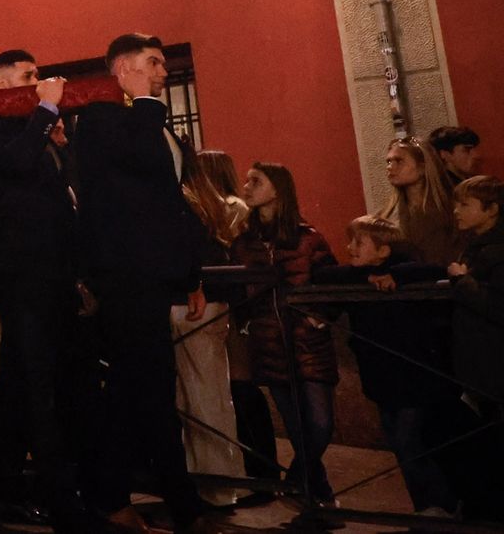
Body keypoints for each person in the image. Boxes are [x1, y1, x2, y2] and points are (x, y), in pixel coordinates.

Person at [71, 32, 212, 533]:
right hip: (124, 276)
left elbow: (169, 204)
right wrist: (147, 104)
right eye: (152, 63)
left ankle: (124, 497)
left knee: (141, 391)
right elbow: (137, 162)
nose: (163, 72)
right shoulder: (100, 118)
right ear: (123, 69)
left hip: (155, 276)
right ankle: (167, 503)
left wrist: (191, 276)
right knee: (142, 391)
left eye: (164, 65)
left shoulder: (154, 120)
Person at [0, 49, 92, 526]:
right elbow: (16, 164)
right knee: (37, 386)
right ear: (0, 83)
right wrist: (47, 110)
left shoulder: (37, 130)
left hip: (53, 276)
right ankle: (62, 501)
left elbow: (62, 197)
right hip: (20, 276)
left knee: (22, 382)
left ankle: (1, 481)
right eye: (28, 75)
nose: (39, 81)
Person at [315, 216, 456, 515]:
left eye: (359, 243)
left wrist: (395, 275)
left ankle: (441, 505)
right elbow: (325, 276)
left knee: (409, 441)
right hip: (381, 378)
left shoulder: (405, 273)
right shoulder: (359, 278)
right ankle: (424, 508)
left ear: (383, 251)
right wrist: (366, 277)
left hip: (414, 377)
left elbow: (434, 270)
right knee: (399, 443)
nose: (350, 248)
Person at [232, 162, 338, 505]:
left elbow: (330, 284)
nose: (246, 187)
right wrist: (246, 323)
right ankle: (318, 495)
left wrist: (320, 317)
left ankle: (297, 481)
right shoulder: (243, 244)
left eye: (255, 181)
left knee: (320, 423)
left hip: (308, 341)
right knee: (296, 427)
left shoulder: (308, 238)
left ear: (277, 189)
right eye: (247, 181)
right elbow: (237, 291)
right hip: (268, 342)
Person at [171, 150, 247, 506]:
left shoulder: (187, 204)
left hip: (192, 305)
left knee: (198, 398)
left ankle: (215, 485)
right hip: (209, 304)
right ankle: (219, 482)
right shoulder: (212, 206)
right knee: (208, 394)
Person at [447, 174, 504, 520]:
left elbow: (497, 306)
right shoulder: (477, 247)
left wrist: (461, 281)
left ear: (491, 209)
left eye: (465, 204)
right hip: (480, 362)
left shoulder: (496, 252)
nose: (456, 211)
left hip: (493, 363)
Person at [379, 136, 462, 265]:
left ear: (422, 167)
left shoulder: (452, 210)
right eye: (388, 161)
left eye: (399, 161)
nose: (390, 167)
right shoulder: (384, 216)